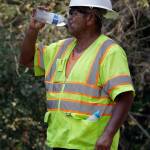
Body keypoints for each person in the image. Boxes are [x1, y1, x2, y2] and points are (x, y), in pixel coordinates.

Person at [20, 0, 135, 149]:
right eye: (69, 12)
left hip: (92, 146)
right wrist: (32, 30)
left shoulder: (109, 52)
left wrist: (107, 136)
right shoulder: (60, 48)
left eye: (74, 12)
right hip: (59, 143)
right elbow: (26, 60)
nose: (69, 17)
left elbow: (125, 96)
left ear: (90, 18)